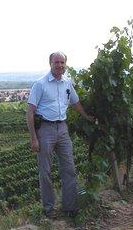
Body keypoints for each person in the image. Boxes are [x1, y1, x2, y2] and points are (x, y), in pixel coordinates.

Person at [26, 51, 93, 218]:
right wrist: (33, 138)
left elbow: (75, 102)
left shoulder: (67, 83)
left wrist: (86, 116)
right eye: (56, 62)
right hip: (45, 130)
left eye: (62, 62)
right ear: (50, 63)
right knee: (45, 171)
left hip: (62, 128)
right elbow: (30, 113)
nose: (59, 65)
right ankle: (49, 208)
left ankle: (70, 207)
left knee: (69, 169)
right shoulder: (40, 84)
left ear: (66, 64)